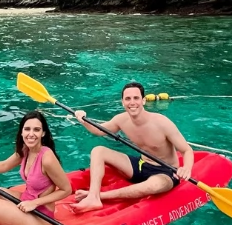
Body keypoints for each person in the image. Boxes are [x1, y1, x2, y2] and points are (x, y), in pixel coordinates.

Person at [72, 82, 194, 212]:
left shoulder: (162, 123)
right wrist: (83, 119)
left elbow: (186, 150)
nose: (132, 102)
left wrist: (186, 168)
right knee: (98, 151)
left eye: (136, 98)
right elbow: (99, 131)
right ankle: (93, 196)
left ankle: (99, 196)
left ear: (144, 100)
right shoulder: (121, 119)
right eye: (128, 99)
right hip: (141, 165)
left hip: (166, 172)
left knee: (154, 186)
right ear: (123, 102)